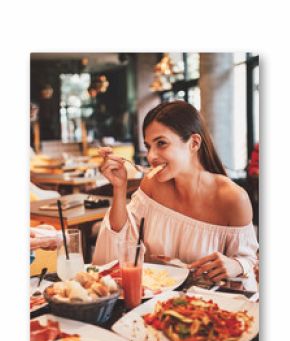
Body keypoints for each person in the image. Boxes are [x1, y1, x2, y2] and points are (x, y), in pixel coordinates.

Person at [93, 101, 258, 286]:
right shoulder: (152, 184)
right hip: (153, 302)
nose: (150, 156)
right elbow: (121, 241)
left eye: (161, 143)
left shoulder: (232, 198)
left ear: (194, 143)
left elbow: (249, 262)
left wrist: (235, 265)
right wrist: (119, 188)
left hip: (206, 306)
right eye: (148, 146)